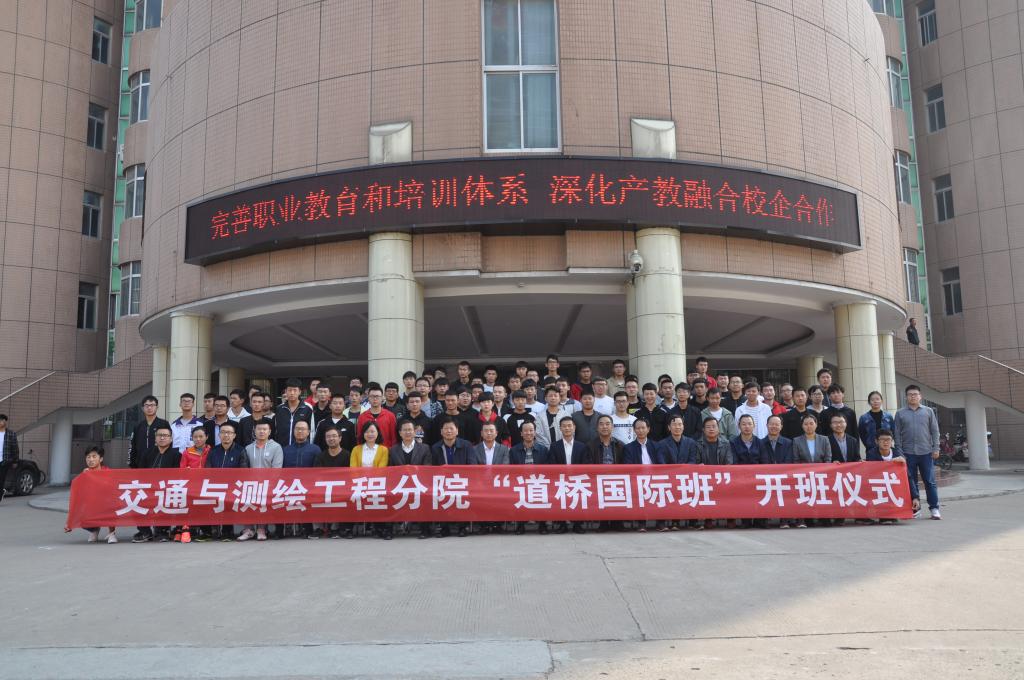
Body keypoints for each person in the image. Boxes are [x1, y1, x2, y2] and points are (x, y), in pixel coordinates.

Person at [894, 384, 941, 520]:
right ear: (906, 397)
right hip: (907, 453)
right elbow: (897, 434)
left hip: (926, 452)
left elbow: (935, 431)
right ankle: (916, 509)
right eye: (910, 394)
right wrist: (899, 452)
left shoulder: (928, 411)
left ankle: (934, 508)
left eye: (915, 394)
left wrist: (936, 448)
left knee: (930, 481)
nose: (913, 396)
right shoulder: (900, 413)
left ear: (920, 396)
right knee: (911, 482)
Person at [131, 427, 181, 543]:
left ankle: (162, 531)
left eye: (165, 435)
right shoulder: (147, 453)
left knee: (165, 500)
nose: (162, 438)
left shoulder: (176, 455)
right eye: (159, 435)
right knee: (134, 499)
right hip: (148, 488)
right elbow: (141, 473)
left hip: (167, 489)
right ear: (155, 438)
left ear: (171, 439)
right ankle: (145, 532)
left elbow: (178, 476)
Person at [237, 422, 283, 542]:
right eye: (259, 429)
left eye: (264, 429)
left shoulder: (276, 447)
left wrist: (269, 484)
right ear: (254, 431)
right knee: (247, 504)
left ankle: (262, 529)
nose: (262, 432)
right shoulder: (248, 448)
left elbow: (277, 469)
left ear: (269, 432)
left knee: (263, 505)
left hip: (268, 485)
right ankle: (248, 530)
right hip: (251, 485)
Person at [430, 418, 475, 537]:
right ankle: (444, 527)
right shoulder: (436, 447)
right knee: (439, 495)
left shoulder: (466, 445)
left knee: (462, 495)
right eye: (446, 428)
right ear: (441, 432)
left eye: (451, 428)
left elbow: (472, 465)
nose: (449, 431)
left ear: (457, 431)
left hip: (462, 481)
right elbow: (433, 468)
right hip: (443, 482)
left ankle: (462, 527)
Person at [65, 446, 117, 543]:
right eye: (88, 457)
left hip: (106, 503)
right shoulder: (85, 473)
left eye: (94, 456)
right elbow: (78, 495)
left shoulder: (108, 472)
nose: (91, 460)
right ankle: (94, 529)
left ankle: (112, 533)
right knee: (80, 513)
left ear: (101, 459)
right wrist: (70, 522)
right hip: (92, 504)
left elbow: (111, 490)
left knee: (111, 506)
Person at [549, 417, 589, 534]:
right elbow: (552, 464)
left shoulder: (582, 446)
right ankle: (562, 525)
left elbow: (585, 464)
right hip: (560, 480)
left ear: (574, 428)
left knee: (579, 496)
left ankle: (578, 524)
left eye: (569, 426)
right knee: (560, 498)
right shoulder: (554, 446)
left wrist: (575, 477)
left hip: (577, 480)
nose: (567, 428)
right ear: (560, 428)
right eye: (564, 426)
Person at [793, 412, 830, 528]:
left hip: (821, 474)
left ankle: (824, 518)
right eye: (805, 424)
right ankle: (806, 519)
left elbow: (828, 458)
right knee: (806, 496)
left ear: (816, 424)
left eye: (811, 423)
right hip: (803, 474)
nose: (808, 426)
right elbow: (796, 460)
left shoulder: (824, 439)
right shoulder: (797, 441)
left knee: (822, 496)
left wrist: (822, 471)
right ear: (802, 426)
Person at [695, 417, 733, 529]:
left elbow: (729, 462)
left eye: (714, 426)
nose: (711, 429)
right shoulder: (698, 444)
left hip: (722, 477)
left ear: (718, 429)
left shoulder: (726, 443)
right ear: (703, 430)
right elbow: (696, 461)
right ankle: (709, 518)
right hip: (705, 479)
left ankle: (730, 517)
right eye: (708, 427)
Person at [760, 415, 795, 528]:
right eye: (771, 424)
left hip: (783, 476)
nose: (774, 426)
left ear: (781, 426)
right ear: (767, 425)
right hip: (765, 477)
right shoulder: (760, 443)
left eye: (777, 424)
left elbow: (789, 460)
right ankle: (764, 519)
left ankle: (784, 519)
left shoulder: (788, 443)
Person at [866, 428, 904, 525]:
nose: (886, 442)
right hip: (878, 485)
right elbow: (873, 472)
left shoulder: (898, 453)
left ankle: (893, 513)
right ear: (876, 441)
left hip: (894, 485)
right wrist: (891, 463)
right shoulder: (871, 453)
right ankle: (883, 515)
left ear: (892, 441)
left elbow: (907, 475)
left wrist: (915, 497)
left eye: (888, 440)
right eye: (882, 440)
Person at [127, 395, 171, 469]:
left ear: (157, 407)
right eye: (147, 405)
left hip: (159, 463)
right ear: (142, 408)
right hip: (140, 464)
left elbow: (169, 443)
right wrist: (131, 463)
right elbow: (132, 445)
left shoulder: (163, 424)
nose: (149, 408)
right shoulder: (138, 426)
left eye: (152, 405)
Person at [356, 383, 399, 449]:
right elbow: (359, 438)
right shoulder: (362, 417)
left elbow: (394, 438)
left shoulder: (390, 416)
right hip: (367, 452)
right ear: (368, 398)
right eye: (372, 396)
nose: (375, 399)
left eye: (377, 396)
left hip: (386, 452)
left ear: (382, 398)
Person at [535, 385, 574, 450]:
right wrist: (549, 447)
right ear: (545, 398)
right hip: (545, 450)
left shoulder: (566, 415)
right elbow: (538, 434)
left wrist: (560, 446)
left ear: (559, 398)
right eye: (550, 396)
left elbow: (570, 432)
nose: (553, 398)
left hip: (563, 449)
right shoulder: (539, 416)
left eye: (555, 396)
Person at [0, 413, 20, 499]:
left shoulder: (11, 434)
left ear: (5, 422)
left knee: (1, 480)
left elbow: (15, 448)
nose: (0, 422)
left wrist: (15, 461)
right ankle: (1, 491)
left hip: (4, 461)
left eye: (2, 420)